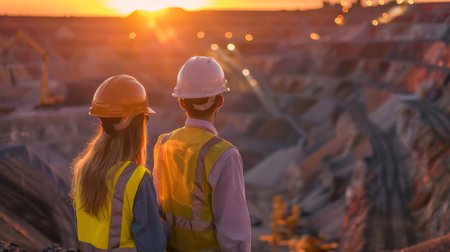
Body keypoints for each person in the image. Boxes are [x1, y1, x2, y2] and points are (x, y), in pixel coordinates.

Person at [153, 56, 251, 252]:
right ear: (220, 100)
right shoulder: (225, 155)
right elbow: (234, 235)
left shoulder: (164, 144)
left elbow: (158, 209)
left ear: (181, 102)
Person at [70, 74, 169, 252]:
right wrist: (164, 226)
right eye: (145, 118)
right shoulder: (137, 180)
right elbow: (153, 247)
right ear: (138, 123)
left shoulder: (82, 171)